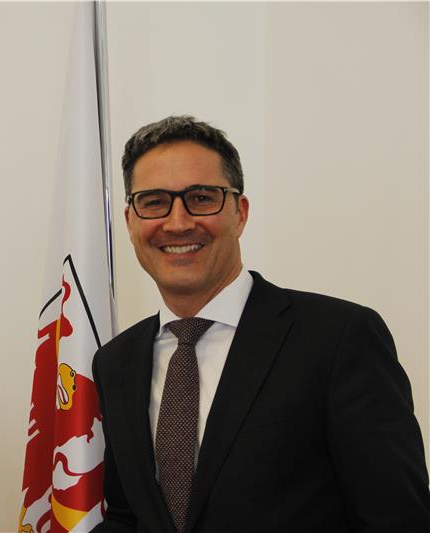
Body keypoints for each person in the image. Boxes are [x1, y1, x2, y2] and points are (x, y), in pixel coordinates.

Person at [91, 116, 430, 532]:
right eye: (154, 201)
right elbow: (128, 517)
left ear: (240, 213)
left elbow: (398, 521)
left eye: (201, 198)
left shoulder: (339, 338)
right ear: (130, 221)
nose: (177, 222)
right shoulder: (115, 362)